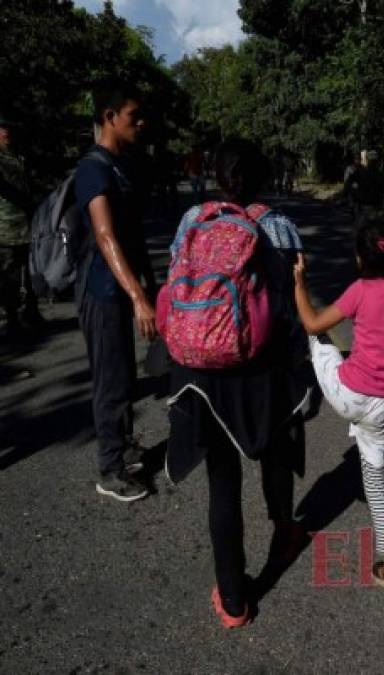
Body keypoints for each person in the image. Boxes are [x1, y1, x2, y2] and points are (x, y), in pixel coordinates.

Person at [165, 139, 307, 627]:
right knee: (276, 454)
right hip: (262, 372)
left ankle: (233, 600)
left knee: (221, 481)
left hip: (205, 373)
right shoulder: (279, 225)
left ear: (219, 177)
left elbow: (179, 286)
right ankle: (284, 531)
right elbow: (292, 304)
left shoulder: (193, 221)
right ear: (264, 177)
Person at [293, 218, 384, 599]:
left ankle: (294, 395)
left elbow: (312, 320)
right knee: (378, 489)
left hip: (347, 393)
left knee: (319, 340)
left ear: (360, 259)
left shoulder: (360, 290)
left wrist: (299, 283)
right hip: (383, 407)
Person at [74, 83, 157, 501]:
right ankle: (110, 469)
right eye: (132, 115)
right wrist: (139, 297)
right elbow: (106, 237)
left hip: (120, 289)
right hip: (101, 289)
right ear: (109, 117)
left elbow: (132, 235)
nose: (140, 122)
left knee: (124, 372)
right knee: (109, 378)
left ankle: (122, 445)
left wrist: (149, 287)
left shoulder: (121, 164)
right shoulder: (94, 168)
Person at [0, 114, 42, 345]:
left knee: (30, 268)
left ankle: (32, 310)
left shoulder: (19, 156)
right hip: (5, 227)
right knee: (10, 274)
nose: (6, 132)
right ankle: (12, 318)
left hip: (27, 222)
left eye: (8, 127)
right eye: (2, 128)